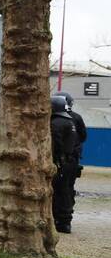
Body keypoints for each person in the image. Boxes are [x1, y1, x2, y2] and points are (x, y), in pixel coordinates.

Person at [51, 95, 80, 234]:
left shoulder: (56, 123)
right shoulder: (70, 121)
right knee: (66, 192)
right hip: (70, 161)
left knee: (58, 192)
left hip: (60, 162)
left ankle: (60, 220)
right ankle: (65, 221)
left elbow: (56, 143)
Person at [53, 91, 86, 202]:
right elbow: (83, 136)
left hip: (61, 158)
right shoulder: (76, 117)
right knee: (67, 187)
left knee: (60, 189)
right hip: (72, 157)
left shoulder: (54, 120)